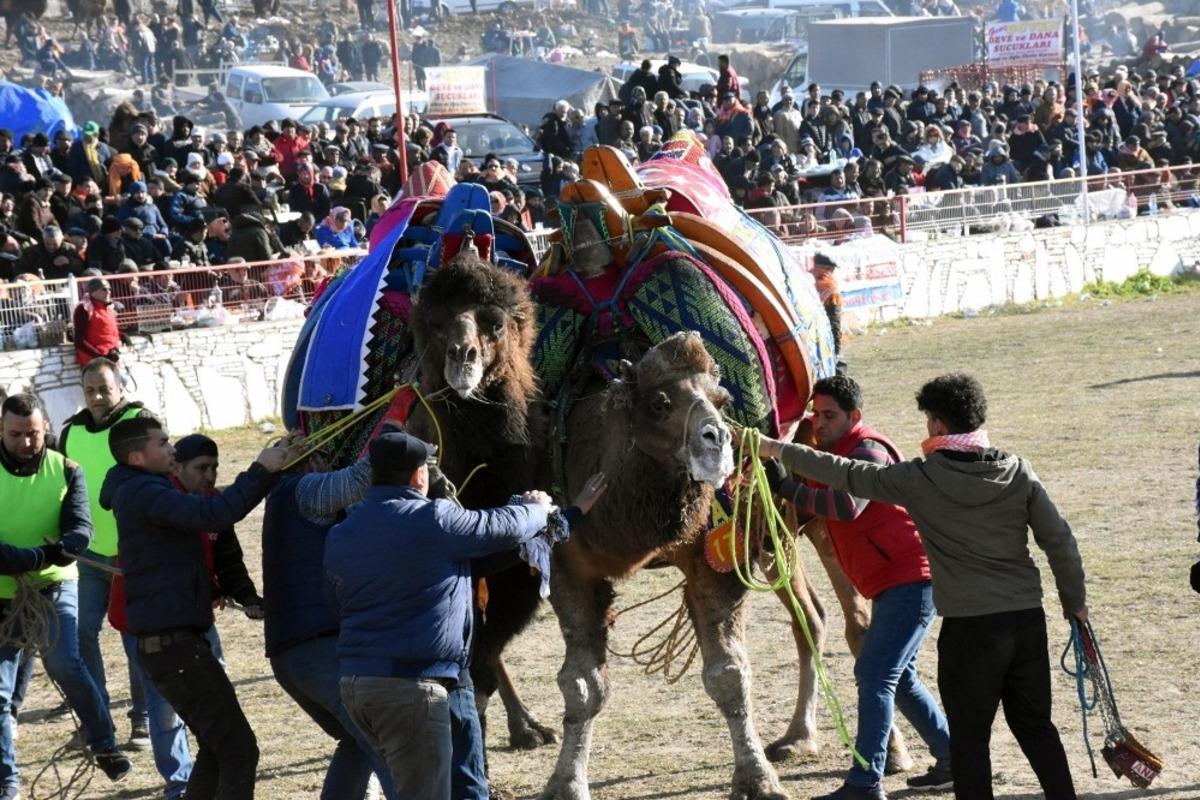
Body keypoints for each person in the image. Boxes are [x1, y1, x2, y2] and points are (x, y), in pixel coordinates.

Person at [755, 373, 1087, 800]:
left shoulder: (922, 478)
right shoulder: (1017, 470)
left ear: (938, 425)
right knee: (1035, 726)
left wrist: (776, 453)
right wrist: (1075, 604)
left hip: (967, 628)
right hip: (1025, 622)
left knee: (961, 733)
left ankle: (870, 781)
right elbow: (1058, 539)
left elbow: (846, 477)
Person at [324, 432, 600, 799]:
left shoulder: (342, 533)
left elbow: (337, 601)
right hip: (413, 688)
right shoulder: (434, 519)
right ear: (418, 475)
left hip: (360, 686)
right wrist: (536, 507)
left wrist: (570, 516)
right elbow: (501, 527)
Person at [764, 376, 951, 799]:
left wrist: (787, 486)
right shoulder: (833, 454)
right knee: (898, 678)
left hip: (910, 579)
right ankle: (953, 757)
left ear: (855, 416)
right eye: (815, 414)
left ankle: (866, 782)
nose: (819, 423)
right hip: (893, 583)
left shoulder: (869, 449)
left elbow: (848, 505)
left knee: (874, 672)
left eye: (829, 415)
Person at [100, 417, 288, 800]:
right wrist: (262, 469)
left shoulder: (143, 489)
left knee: (219, 750)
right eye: (163, 443)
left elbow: (200, 551)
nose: (171, 448)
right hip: (174, 648)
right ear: (137, 456)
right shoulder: (144, 493)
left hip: (173, 645)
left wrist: (224, 590)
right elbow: (211, 515)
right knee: (238, 749)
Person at [0, 393, 133, 800]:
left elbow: (80, 524)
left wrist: (70, 544)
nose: (26, 442)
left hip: (54, 583)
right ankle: (7, 782)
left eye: (34, 434)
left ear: (47, 430)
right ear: (1, 430)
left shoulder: (66, 469)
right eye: (16, 434)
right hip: (5, 595)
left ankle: (103, 743)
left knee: (65, 663)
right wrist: (37, 555)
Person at [261, 436, 398, 800]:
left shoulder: (283, 502)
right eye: (323, 455)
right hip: (318, 649)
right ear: (308, 463)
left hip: (292, 654)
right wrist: (394, 422)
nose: (328, 463)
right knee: (381, 736)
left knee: (356, 741)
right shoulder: (303, 490)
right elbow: (358, 480)